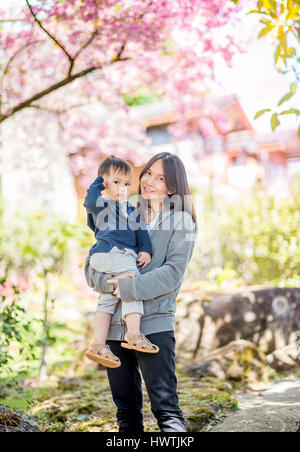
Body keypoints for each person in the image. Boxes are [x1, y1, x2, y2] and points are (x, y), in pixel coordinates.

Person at [84, 152, 197, 432]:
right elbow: (92, 264)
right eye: (148, 173)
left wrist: (128, 287)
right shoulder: (121, 207)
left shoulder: (181, 221)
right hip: (114, 328)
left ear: (171, 187)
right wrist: (108, 284)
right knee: (126, 412)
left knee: (167, 411)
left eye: (161, 178)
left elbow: (172, 273)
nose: (150, 181)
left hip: (154, 322)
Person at [83, 156, 159, 369]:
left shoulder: (132, 210)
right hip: (109, 253)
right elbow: (89, 201)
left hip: (116, 258)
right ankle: (133, 334)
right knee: (131, 283)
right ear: (105, 182)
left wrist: (145, 249)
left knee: (107, 300)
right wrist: (99, 183)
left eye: (126, 183)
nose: (123, 188)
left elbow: (141, 232)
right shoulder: (102, 204)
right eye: (116, 182)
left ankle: (98, 344)